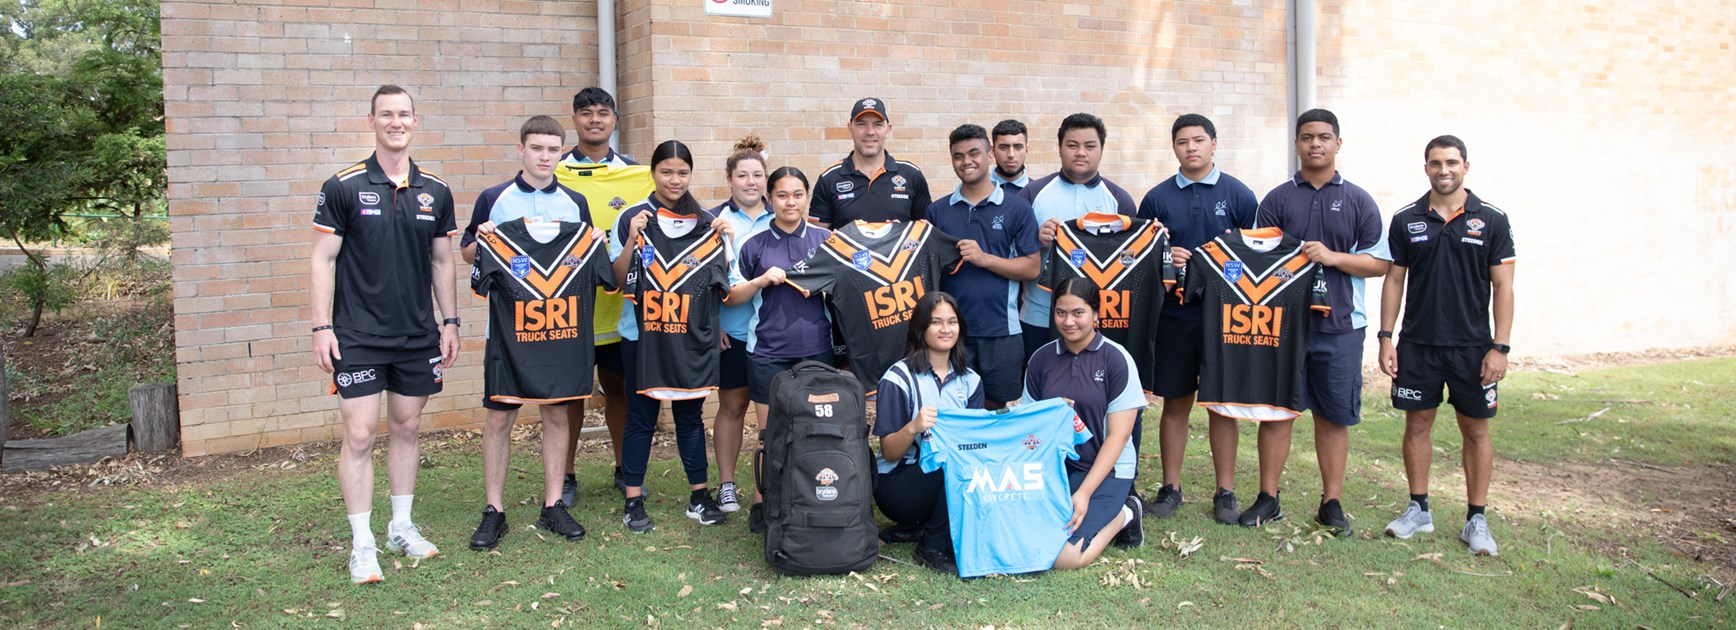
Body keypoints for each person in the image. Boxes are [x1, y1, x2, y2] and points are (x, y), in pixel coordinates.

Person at [309, 85, 458, 584]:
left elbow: (442, 261)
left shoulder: (435, 190)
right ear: (371, 120)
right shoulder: (343, 186)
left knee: (407, 427)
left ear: (416, 121)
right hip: (357, 334)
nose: (395, 122)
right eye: (386, 114)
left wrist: (450, 322)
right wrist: (321, 327)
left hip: (417, 334)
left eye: (404, 114)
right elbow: (322, 259)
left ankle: (401, 526)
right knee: (357, 433)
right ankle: (362, 543)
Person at [1248, 108, 1390, 532]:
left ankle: (1331, 502)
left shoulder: (1359, 200)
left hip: (1341, 328)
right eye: (1307, 137)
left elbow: (1379, 262)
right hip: (1284, 327)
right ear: (1296, 144)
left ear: (1338, 144)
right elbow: (1258, 257)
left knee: (1333, 416)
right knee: (1277, 411)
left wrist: (1332, 258)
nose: (1315, 144)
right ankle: (1268, 497)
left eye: (1324, 137)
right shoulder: (1276, 200)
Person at [457, 115, 594, 549]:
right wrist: (482, 240)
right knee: (500, 416)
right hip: (509, 330)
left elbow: (592, 254)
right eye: (537, 148)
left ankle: (554, 504)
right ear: (521, 149)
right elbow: (466, 254)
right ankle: (494, 510)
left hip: (559, 328)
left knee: (556, 412)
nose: (545, 157)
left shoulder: (575, 202)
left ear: (561, 153)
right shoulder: (494, 198)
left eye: (553, 150)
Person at [1378, 135, 1515, 556]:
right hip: (1418, 344)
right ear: (1426, 168)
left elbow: (1504, 286)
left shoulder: (1491, 219)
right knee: (1416, 425)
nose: (1444, 170)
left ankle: (1476, 518)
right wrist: (1386, 338)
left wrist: (1501, 347)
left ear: (1466, 167)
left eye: (1452, 163)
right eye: (1436, 163)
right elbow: (1394, 280)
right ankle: (1418, 509)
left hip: (1473, 348)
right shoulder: (1405, 219)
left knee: (1475, 429)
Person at [1135, 114, 1259, 523]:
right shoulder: (1156, 198)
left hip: (1225, 317)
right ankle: (1171, 488)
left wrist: (1215, 262)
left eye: (1199, 140)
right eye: (1183, 142)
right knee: (1176, 401)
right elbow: (1140, 259)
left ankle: (1225, 492)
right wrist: (1166, 258)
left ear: (1214, 144)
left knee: (1222, 404)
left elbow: (1254, 255)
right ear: (1174, 148)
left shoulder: (1238, 195)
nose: (1191, 148)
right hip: (1175, 316)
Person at [609, 140, 733, 532]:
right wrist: (631, 238)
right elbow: (614, 278)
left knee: (690, 416)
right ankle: (633, 500)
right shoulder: (633, 217)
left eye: (682, 172)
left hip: (688, 337)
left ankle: (699, 496)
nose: (674, 180)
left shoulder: (707, 221)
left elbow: (721, 285)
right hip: (641, 335)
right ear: (653, 173)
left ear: (690, 175)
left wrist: (726, 241)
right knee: (640, 416)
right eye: (666, 171)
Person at [553, 87, 652, 504]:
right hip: (570, 309)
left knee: (620, 389)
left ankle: (622, 467)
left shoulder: (638, 175)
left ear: (615, 121)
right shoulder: (553, 173)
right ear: (574, 120)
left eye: (603, 113)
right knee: (571, 395)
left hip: (622, 309)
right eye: (586, 113)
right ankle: (568, 474)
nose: (595, 120)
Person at [723, 165, 835, 534]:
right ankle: (762, 501)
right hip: (768, 351)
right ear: (770, 199)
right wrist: (760, 280)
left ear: (807, 197)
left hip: (816, 350)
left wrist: (825, 287)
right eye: (782, 195)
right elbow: (731, 296)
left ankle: (813, 496)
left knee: (817, 429)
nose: (790, 202)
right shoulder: (753, 244)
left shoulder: (825, 240)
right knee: (769, 432)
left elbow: (848, 288)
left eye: (798, 194)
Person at [1021, 277, 1146, 569]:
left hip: (1107, 469)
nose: (1068, 322)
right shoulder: (1041, 359)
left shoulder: (1116, 359)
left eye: (1078, 313)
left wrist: (1085, 493)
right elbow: (1029, 430)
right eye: (1061, 313)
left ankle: (1127, 512)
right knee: (1026, 539)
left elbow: (1119, 436)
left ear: (1096, 314)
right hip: (1057, 468)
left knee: (1065, 558)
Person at [924, 124, 1039, 409]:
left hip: (1001, 330)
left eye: (974, 153)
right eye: (958, 156)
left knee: (995, 408)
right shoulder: (937, 211)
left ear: (989, 155)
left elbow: (1032, 268)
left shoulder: (1017, 208)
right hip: (950, 332)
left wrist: (983, 258)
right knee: (950, 406)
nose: (966, 161)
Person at [872, 292, 982, 574]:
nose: (946, 330)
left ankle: (923, 528)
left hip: (948, 479)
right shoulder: (898, 377)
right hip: (898, 484)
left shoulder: (971, 380)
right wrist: (914, 427)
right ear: (920, 328)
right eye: (936, 323)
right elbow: (889, 453)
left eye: (952, 322)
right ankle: (932, 546)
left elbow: (974, 444)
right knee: (952, 466)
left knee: (970, 463)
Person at [1018, 113, 1139, 364]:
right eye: (1072, 145)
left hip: (1101, 316)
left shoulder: (1120, 199)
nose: (1081, 152)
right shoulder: (1033, 193)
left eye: (1090, 146)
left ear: (1101, 150)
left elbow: (1132, 263)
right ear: (1060, 148)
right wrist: (1037, 241)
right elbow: (1014, 253)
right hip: (1040, 315)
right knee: (1043, 390)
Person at [710, 135, 773, 515]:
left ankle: (773, 484)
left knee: (773, 415)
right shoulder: (716, 221)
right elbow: (705, 281)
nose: (751, 182)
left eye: (757, 175)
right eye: (743, 175)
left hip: (772, 336)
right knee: (733, 406)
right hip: (732, 329)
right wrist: (712, 321)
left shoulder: (783, 215)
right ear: (730, 179)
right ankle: (727, 485)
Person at [809, 97, 933, 228]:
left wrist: (900, 232)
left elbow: (926, 232)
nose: (870, 132)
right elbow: (817, 239)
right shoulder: (829, 178)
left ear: (888, 129)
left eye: (878, 125)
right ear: (850, 128)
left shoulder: (911, 174)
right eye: (861, 124)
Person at [989, 119, 1032, 193]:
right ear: (992, 151)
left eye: (1018, 147)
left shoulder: (1038, 193)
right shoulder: (976, 191)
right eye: (1003, 147)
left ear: (1026, 150)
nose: (1011, 155)